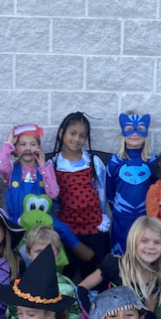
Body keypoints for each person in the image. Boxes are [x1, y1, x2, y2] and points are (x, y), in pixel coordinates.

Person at [79, 216, 161, 319]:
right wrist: (93, 318)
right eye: (144, 241)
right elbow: (81, 288)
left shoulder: (156, 277)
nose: (151, 246)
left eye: (157, 242)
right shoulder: (114, 265)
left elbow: (147, 315)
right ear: (133, 241)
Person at [50, 111, 110, 281]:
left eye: (82, 135)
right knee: (66, 275)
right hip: (68, 230)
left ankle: (93, 297)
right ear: (61, 133)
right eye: (73, 133)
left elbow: (102, 191)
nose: (77, 139)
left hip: (94, 229)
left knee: (96, 273)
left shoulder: (93, 161)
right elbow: (52, 199)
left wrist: (102, 217)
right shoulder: (53, 164)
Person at [108, 111, 159, 254]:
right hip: (121, 219)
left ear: (146, 133)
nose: (135, 133)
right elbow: (110, 191)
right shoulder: (114, 161)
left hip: (146, 218)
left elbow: (158, 189)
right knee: (122, 256)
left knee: (144, 255)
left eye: (140, 129)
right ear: (122, 134)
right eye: (129, 129)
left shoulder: (153, 161)